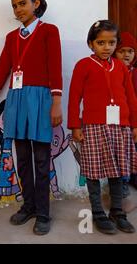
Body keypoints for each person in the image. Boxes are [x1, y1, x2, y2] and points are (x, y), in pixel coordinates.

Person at [0, 0, 63, 235]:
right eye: (14, 6)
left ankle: (43, 213)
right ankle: (29, 206)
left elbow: (55, 67)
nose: (18, 9)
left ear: (37, 3)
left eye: (22, 3)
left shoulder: (49, 32)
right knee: (22, 157)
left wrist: (56, 102)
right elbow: (3, 68)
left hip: (41, 99)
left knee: (42, 158)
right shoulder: (12, 38)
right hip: (17, 98)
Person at [68, 20, 137, 234]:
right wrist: (75, 126)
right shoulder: (83, 65)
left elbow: (131, 97)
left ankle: (117, 212)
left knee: (118, 172)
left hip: (120, 127)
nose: (106, 47)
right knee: (94, 171)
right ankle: (98, 213)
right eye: (101, 42)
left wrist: (134, 124)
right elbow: (74, 97)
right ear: (91, 44)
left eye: (111, 42)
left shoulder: (121, 68)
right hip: (93, 127)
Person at [112, 32, 137, 192]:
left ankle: (130, 180)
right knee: (118, 153)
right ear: (115, 52)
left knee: (132, 151)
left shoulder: (135, 73)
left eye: (130, 51)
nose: (126, 54)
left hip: (133, 120)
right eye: (122, 51)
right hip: (116, 119)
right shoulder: (112, 71)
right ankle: (121, 185)